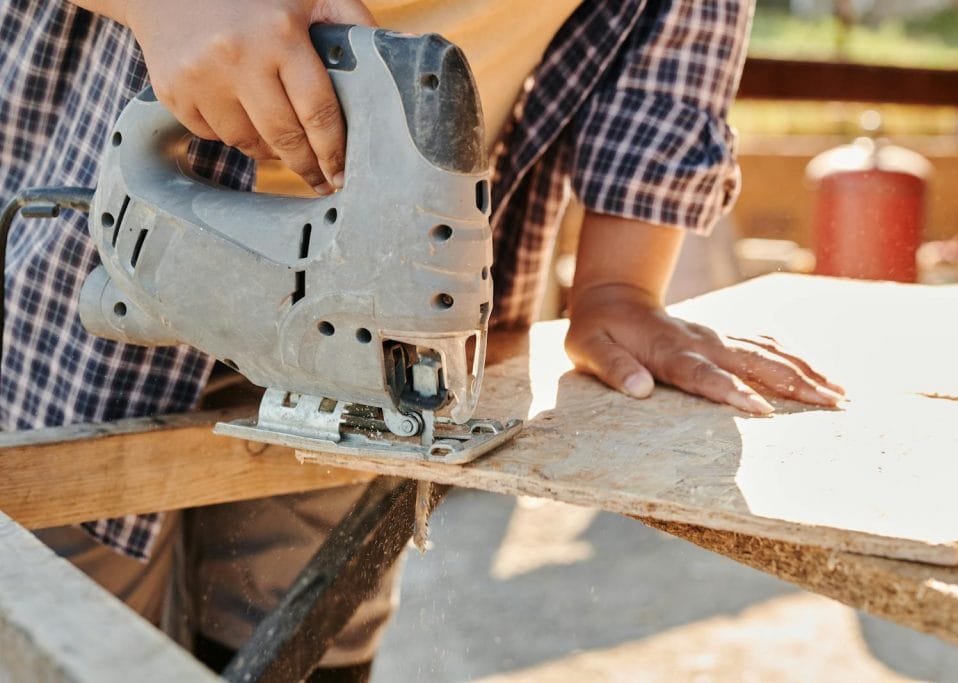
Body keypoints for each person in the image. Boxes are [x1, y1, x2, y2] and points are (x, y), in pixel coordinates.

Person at [1, 0, 843, 678]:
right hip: (73, 324)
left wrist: (619, 286)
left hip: (373, 340)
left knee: (309, 632)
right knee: (75, 626)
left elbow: (676, 53)